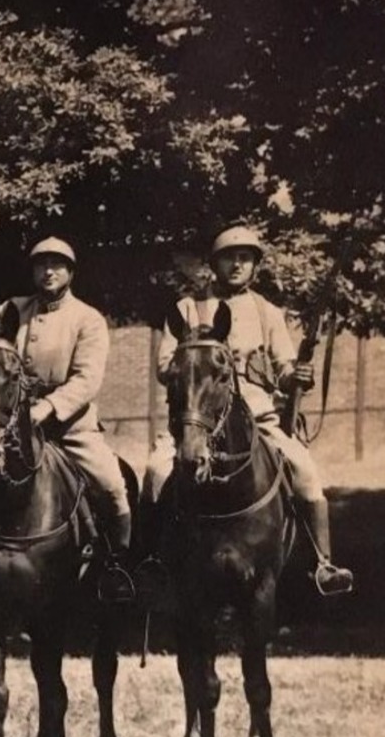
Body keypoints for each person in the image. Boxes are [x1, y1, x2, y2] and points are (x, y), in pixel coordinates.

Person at [145, 225, 354, 595]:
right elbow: (165, 368)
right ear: (215, 263)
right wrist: (194, 359)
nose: (237, 264)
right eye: (230, 257)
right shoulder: (187, 308)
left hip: (258, 414)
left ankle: (323, 563)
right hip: (199, 415)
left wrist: (296, 376)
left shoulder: (267, 311)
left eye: (245, 258)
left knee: (305, 470)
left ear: (255, 265)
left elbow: (284, 366)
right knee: (156, 471)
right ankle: (150, 562)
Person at [0, 236, 135, 601]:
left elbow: (87, 381)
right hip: (10, 430)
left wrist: (47, 408)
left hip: (70, 428)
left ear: (70, 271)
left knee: (112, 485)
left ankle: (115, 567)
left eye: (56, 264)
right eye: (40, 265)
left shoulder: (88, 319)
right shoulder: (15, 309)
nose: (48, 271)